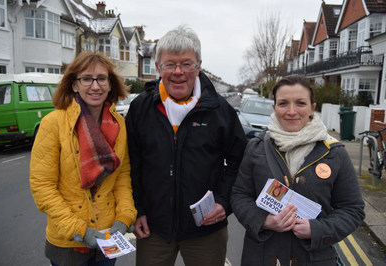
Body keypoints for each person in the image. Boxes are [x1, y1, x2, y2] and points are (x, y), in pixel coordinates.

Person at [125, 25, 247, 266]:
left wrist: (225, 202)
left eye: (186, 64)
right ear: (158, 67)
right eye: (170, 64)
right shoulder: (141, 108)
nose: (178, 72)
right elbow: (131, 163)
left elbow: (239, 163)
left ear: (198, 66)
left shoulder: (220, 111)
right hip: (154, 229)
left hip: (206, 229)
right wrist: (137, 210)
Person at [230, 75, 365, 266]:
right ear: (274, 107)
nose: (291, 111)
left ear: (312, 108)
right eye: (283, 103)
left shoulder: (334, 153)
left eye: (300, 103)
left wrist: (317, 229)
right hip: (260, 256)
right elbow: (239, 195)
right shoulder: (256, 147)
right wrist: (264, 221)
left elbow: (353, 209)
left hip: (313, 259)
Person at [29, 51, 137, 266]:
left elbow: (122, 177)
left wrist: (124, 217)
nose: (95, 86)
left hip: (107, 236)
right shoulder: (53, 123)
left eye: (101, 78)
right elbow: (43, 186)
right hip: (67, 241)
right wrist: (78, 229)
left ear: (110, 83)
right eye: (86, 79)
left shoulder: (119, 124)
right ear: (74, 85)